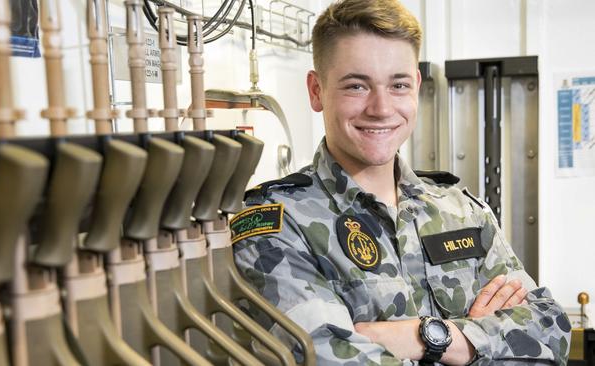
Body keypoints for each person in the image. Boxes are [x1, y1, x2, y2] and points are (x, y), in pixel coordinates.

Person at [232, 0, 571, 364]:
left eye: (398, 85)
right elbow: (325, 358)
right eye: (357, 86)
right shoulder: (276, 224)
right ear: (316, 90)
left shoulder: (460, 210)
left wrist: (430, 338)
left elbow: (550, 333)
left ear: (416, 88)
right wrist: (479, 341)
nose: (380, 108)